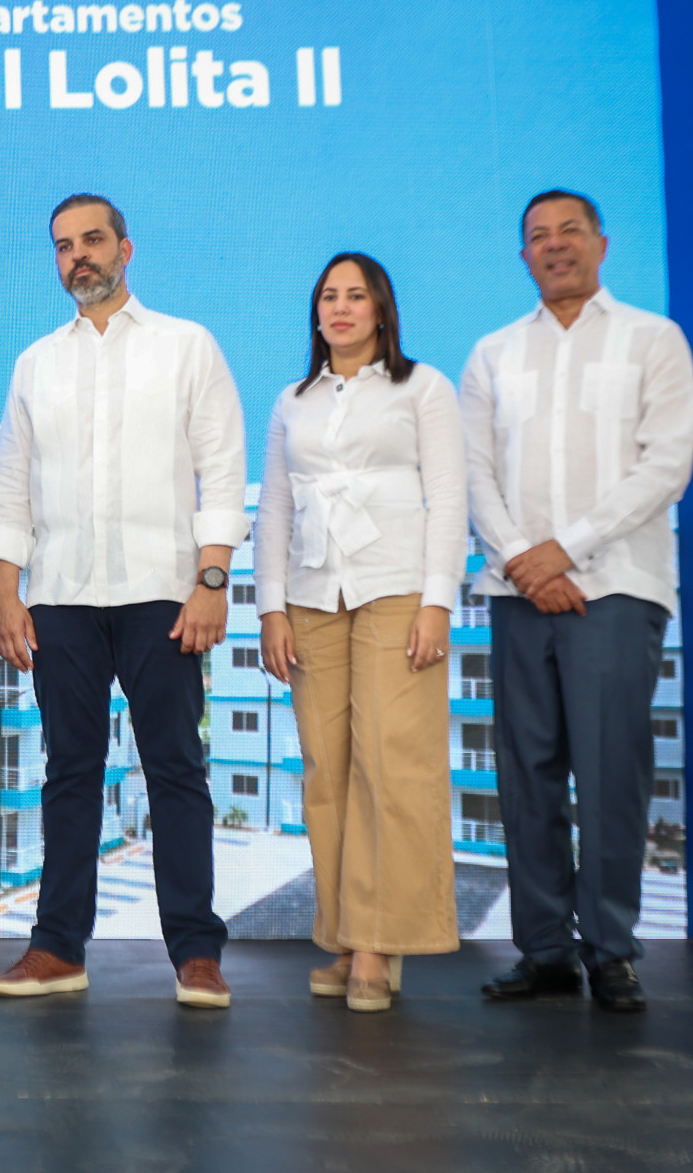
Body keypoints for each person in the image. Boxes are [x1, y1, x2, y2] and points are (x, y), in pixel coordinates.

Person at [0, 194, 246, 1009]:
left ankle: (196, 954)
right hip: (62, 596)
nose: (78, 257)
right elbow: (12, 486)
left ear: (125, 249)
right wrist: (5, 591)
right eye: (63, 246)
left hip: (162, 595)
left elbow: (223, 471)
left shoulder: (186, 346)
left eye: (92, 241)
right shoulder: (35, 364)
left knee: (175, 771)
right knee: (69, 772)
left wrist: (211, 582)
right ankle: (57, 947)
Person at [464, 190, 693, 1013]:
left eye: (570, 231)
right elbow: (475, 472)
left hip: (618, 587)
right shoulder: (493, 353)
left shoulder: (652, 339)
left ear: (602, 242)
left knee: (609, 776)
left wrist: (567, 548)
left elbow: (668, 461)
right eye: (539, 236)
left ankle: (612, 952)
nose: (555, 245)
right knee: (526, 774)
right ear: (523, 255)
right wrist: (524, 561)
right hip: (519, 590)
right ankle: (546, 951)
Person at [255, 252, 465, 1013]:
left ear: (381, 308)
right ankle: (344, 935)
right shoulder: (292, 401)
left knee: (390, 762)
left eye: (356, 296)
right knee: (327, 768)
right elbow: (274, 508)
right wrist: (270, 606)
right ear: (316, 313)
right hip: (313, 593)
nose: (340, 308)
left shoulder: (423, 387)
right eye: (328, 297)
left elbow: (449, 497)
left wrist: (438, 601)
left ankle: (379, 943)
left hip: (396, 587)